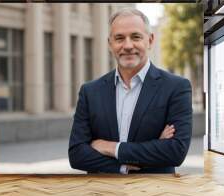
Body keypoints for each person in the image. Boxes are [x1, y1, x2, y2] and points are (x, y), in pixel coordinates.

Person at [68, 8, 192, 174]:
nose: (127, 45)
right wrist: (124, 165)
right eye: (119, 38)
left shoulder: (176, 87)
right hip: (102, 195)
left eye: (136, 37)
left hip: (156, 194)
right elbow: (76, 154)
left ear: (150, 40)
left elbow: (175, 151)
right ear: (110, 43)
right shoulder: (90, 91)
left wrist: (109, 147)